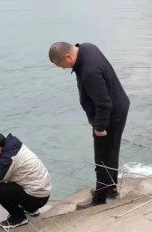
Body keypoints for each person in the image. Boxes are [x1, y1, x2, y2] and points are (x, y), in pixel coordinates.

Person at [48, 42, 130, 209]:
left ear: (68, 56)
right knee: (111, 152)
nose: (63, 68)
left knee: (102, 157)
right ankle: (110, 189)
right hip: (118, 106)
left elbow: (104, 103)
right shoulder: (87, 48)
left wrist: (100, 128)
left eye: (61, 64)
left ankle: (99, 199)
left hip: (110, 114)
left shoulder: (89, 71)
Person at [0, 132, 51, 229]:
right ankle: (31, 210)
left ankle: (18, 218)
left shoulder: (9, 158)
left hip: (37, 198)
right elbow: (3, 159)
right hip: (42, 193)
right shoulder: (14, 146)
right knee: (12, 180)